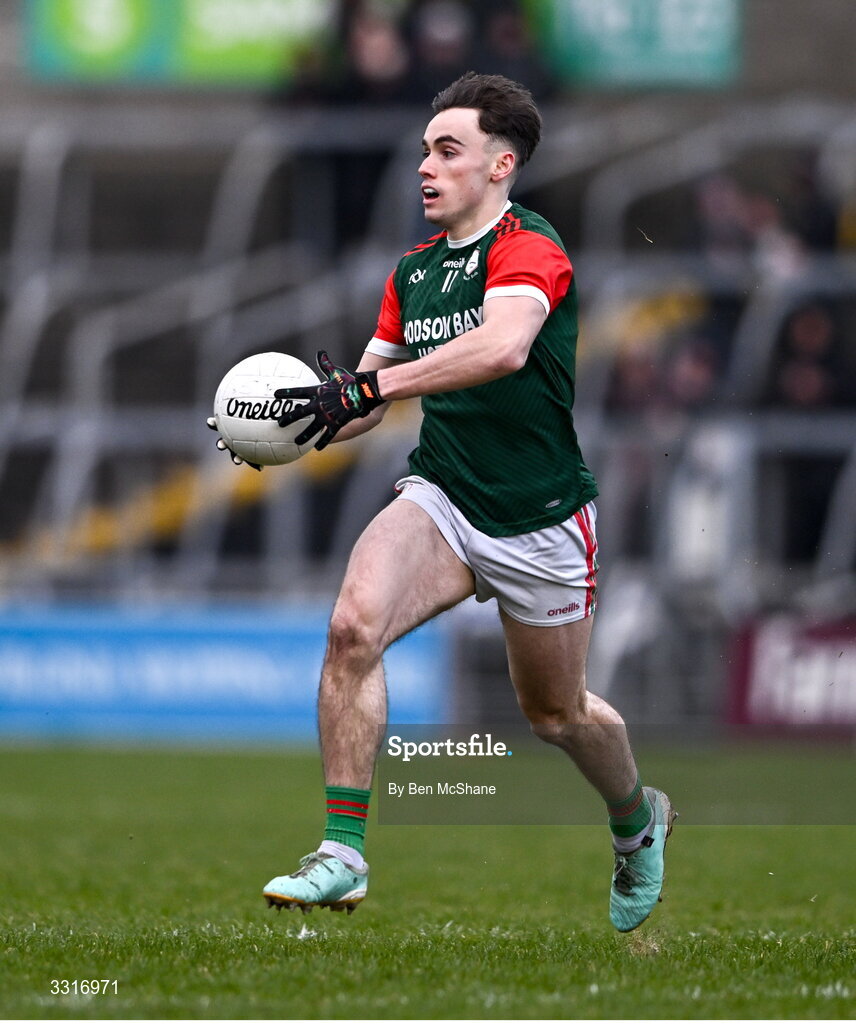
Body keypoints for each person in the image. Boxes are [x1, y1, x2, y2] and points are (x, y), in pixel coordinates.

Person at [219, 72, 676, 932]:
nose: (425, 166)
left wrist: (367, 387)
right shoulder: (412, 274)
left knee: (558, 714)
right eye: (425, 149)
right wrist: (280, 431)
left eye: (447, 150)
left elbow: (502, 349)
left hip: (540, 516)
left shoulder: (530, 247)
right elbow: (363, 405)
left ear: (501, 165)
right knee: (354, 626)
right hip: (443, 495)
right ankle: (342, 855)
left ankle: (635, 822)